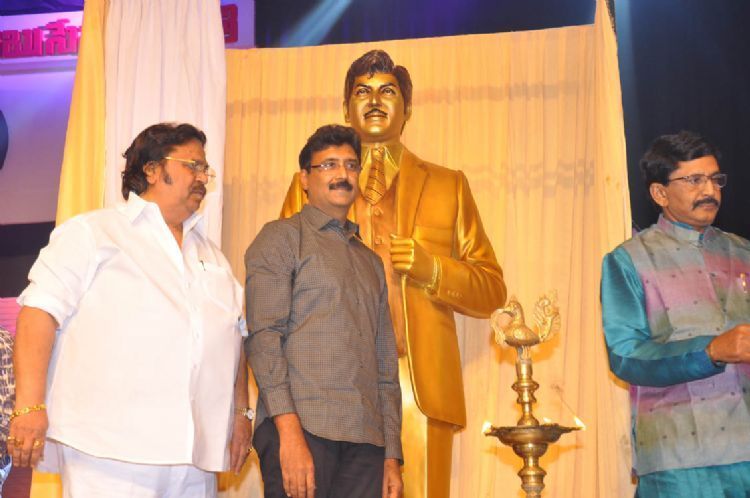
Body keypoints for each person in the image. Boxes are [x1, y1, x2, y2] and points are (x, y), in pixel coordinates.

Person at [280, 50, 506, 498]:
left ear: (408, 108)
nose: (374, 100)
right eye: (361, 92)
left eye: (388, 91)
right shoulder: (309, 183)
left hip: (416, 383)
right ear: (346, 108)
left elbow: (491, 290)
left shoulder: (449, 185)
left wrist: (432, 269)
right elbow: (283, 282)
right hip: (329, 383)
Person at [11, 123, 253, 497]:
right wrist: (28, 407)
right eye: (193, 165)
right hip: (109, 451)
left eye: (206, 169)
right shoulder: (94, 232)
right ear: (152, 169)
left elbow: (234, 338)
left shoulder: (213, 256)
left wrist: (240, 414)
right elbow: (39, 313)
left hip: (194, 456)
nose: (203, 177)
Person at [246, 124, 403, 498]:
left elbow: (385, 365)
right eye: (329, 164)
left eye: (351, 165)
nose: (342, 174)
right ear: (304, 178)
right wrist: (288, 433)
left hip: (367, 442)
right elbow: (264, 338)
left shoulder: (370, 262)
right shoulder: (282, 237)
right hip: (303, 429)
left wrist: (391, 456)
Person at [600, 131, 750, 497]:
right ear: (660, 193)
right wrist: (709, 352)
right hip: (680, 457)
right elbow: (626, 356)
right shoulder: (629, 260)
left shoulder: (743, 252)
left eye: (715, 179)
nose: (710, 190)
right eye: (694, 180)